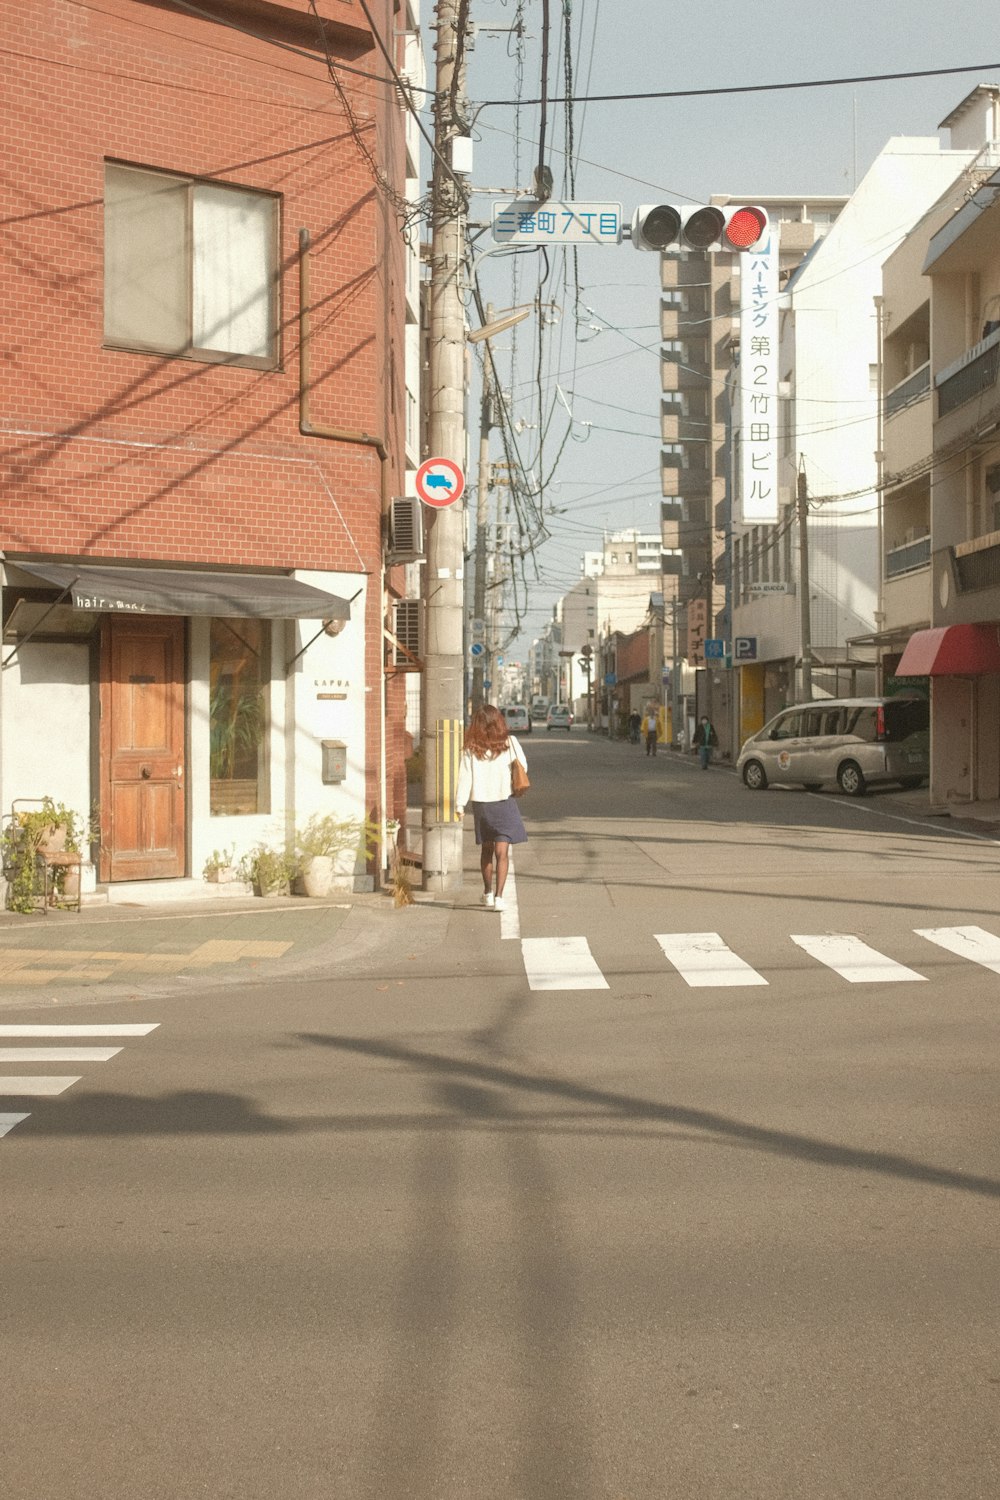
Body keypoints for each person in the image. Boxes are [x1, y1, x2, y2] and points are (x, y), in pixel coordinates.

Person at [455, 704, 528, 912]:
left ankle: (487, 893)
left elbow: (465, 777)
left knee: (486, 851)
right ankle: (499, 898)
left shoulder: (471, 748)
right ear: (498, 722)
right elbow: (524, 767)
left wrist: (460, 805)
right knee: (502, 852)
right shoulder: (509, 743)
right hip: (504, 802)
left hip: (482, 806)